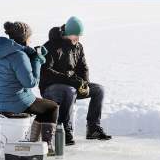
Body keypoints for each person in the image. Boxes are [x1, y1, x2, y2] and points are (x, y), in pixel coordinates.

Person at [0, 21, 60, 155]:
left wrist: (33, 54)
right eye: (30, 37)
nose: (31, 39)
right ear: (25, 38)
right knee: (51, 107)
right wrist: (37, 60)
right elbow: (31, 83)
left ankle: (33, 142)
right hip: (17, 101)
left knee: (43, 107)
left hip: (4, 100)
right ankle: (47, 145)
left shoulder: (4, 53)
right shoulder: (19, 56)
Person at [39, 16, 112, 144]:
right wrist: (71, 81)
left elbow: (83, 67)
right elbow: (46, 72)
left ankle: (93, 128)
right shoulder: (52, 46)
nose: (77, 39)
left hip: (71, 84)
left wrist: (84, 83)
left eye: (79, 36)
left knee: (99, 90)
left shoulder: (78, 47)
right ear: (67, 34)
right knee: (69, 90)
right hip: (50, 87)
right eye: (74, 35)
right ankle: (64, 130)